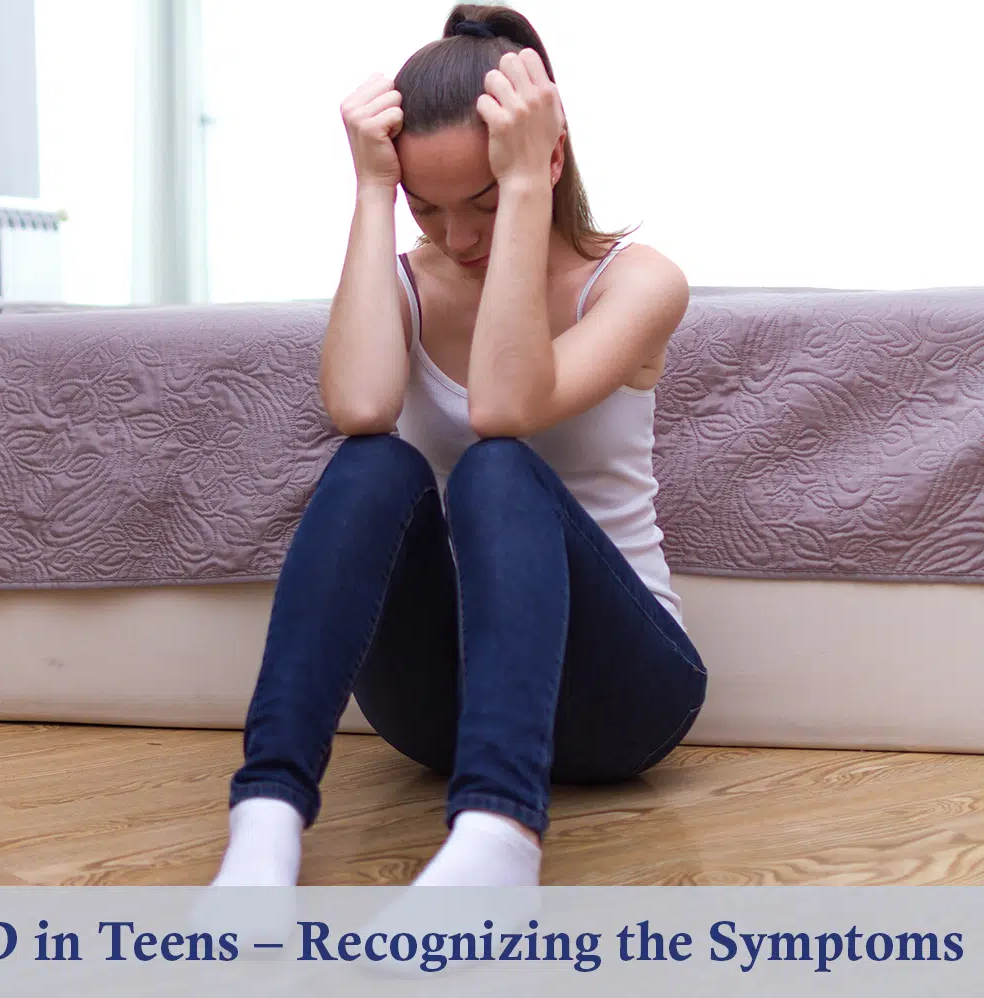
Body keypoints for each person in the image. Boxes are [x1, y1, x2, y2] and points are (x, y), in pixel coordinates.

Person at [208, 4, 707, 889]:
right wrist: (368, 192)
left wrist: (523, 193)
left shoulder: (635, 283)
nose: (458, 237)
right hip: (440, 710)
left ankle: (500, 839)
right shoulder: (409, 278)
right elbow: (360, 404)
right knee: (375, 460)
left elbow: (506, 407)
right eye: (426, 208)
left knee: (496, 466)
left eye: (482, 201)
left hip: (623, 699)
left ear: (547, 157)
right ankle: (265, 823)